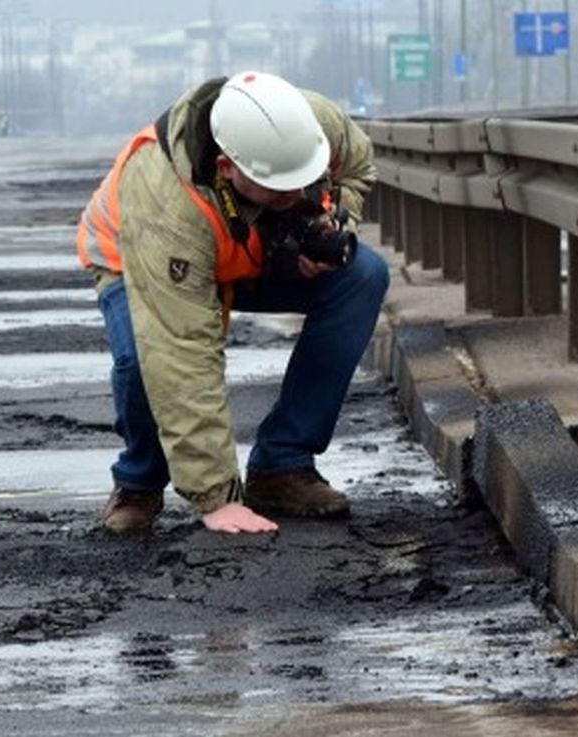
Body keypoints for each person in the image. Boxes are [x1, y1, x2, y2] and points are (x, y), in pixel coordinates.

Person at [75, 71, 386, 536]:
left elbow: (356, 167)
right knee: (146, 359)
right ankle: (139, 482)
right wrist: (217, 497)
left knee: (363, 275)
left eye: (302, 179)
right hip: (138, 258)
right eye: (280, 187)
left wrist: (325, 222)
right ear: (226, 167)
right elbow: (182, 354)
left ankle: (281, 466)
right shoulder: (167, 203)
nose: (296, 193)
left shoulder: (313, 122)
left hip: (241, 247)